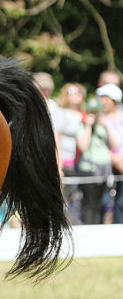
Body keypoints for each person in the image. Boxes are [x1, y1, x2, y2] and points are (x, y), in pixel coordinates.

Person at [76, 84, 120, 224]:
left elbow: (116, 145)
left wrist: (106, 124)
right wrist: (88, 125)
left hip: (104, 170)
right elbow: (83, 146)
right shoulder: (83, 123)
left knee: (102, 204)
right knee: (89, 205)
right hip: (89, 169)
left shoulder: (105, 123)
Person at [55, 83, 87, 222]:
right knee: (64, 196)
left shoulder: (84, 115)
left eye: (78, 92)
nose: (75, 95)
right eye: (71, 92)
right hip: (65, 161)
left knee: (77, 196)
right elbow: (57, 137)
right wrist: (58, 162)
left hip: (82, 162)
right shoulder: (61, 113)